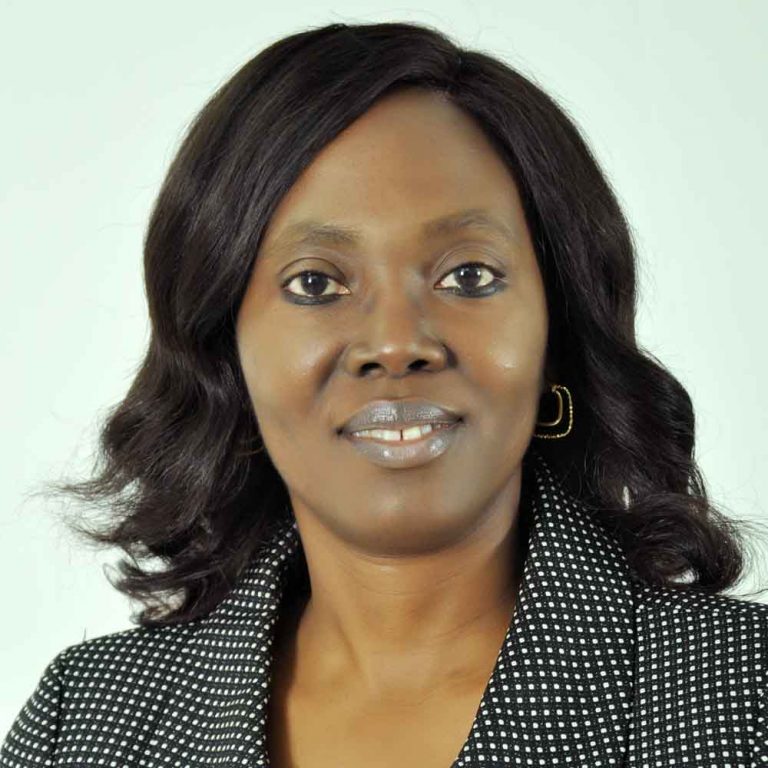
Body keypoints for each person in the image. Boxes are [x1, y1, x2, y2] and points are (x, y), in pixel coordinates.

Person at [2, 20, 767, 768]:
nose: (398, 343)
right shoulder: (88, 723)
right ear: (225, 352)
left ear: (555, 331)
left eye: (468, 275)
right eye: (315, 283)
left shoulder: (744, 695)